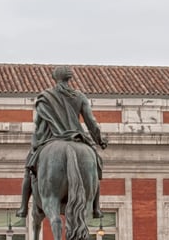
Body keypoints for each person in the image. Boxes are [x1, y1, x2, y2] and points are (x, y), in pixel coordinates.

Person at [17, 65, 108, 219]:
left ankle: (23, 207)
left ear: (55, 78)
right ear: (69, 78)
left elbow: (39, 123)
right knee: (95, 166)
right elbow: (91, 122)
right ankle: (96, 207)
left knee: (28, 170)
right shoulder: (80, 97)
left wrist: (38, 140)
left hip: (52, 139)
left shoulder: (44, 97)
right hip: (77, 137)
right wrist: (100, 140)